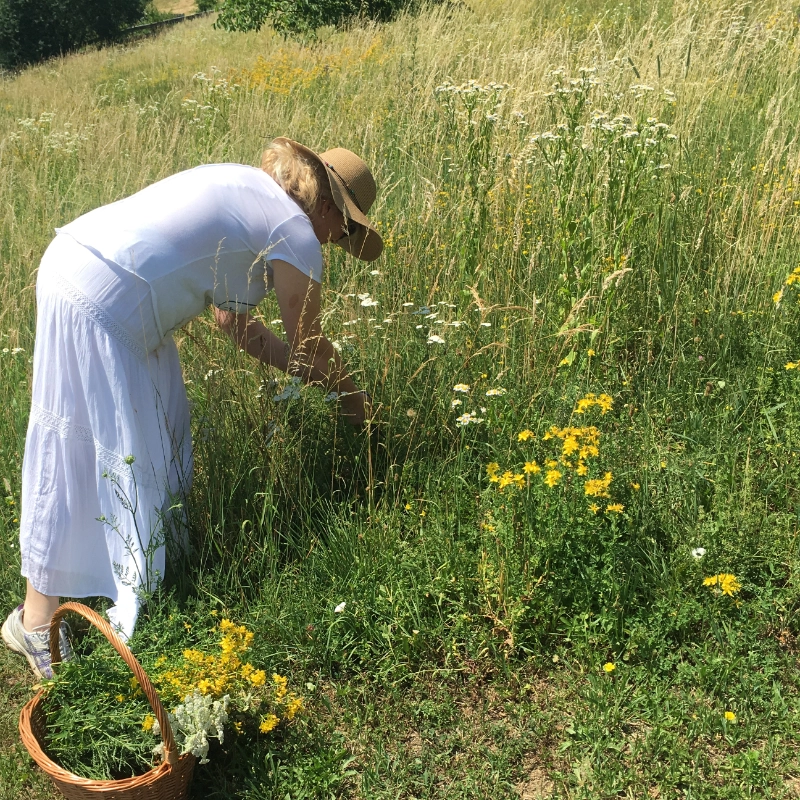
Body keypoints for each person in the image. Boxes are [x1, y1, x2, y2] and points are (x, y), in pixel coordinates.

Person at [1, 138, 382, 679]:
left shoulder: (250, 192)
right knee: (79, 444)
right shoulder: (297, 231)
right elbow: (307, 346)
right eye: (343, 234)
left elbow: (235, 327)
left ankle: (153, 574)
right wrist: (355, 404)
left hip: (86, 269)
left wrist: (308, 375)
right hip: (103, 301)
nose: (334, 246)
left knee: (159, 427)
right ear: (328, 209)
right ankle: (34, 622)